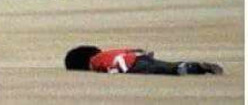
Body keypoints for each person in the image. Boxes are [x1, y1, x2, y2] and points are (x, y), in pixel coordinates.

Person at [64, 45, 223, 75]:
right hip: (136, 57)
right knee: (162, 64)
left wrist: (114, 71)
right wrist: (138, 51)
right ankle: (196, 66)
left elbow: (110, 66)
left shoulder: (95, 61)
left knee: (160, 69)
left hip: (130, 65)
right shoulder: (106, 53)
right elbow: (124, 50)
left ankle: (187, 68)